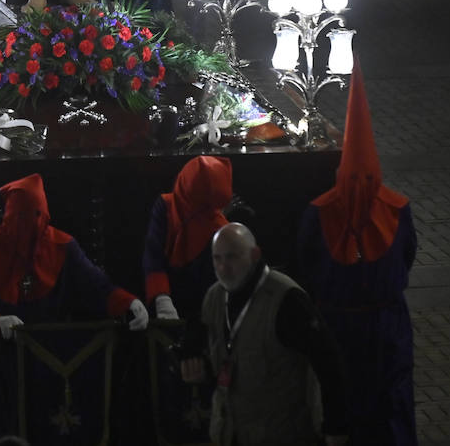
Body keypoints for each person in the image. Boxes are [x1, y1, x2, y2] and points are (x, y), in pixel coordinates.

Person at [0, 173, 148, 441]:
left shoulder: (63, 247)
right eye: (18, 218)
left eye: (34, 216)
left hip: (50, 366)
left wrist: (130, 304)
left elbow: (98, 288)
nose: (26, 227)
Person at [297, 66, 418, 446]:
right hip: (382, 328)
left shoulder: (319, 211)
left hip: (344, 328)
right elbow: (408, 255)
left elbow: (304, 262)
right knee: (385, 407)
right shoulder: (397, 208)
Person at [178, 222, 349, 446]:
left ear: (254, 254)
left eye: (232, 257)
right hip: (230, 434)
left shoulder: (286, 300)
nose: (223, 268)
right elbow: (210, 343)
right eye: (217, 259)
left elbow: (329, 363)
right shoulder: (215, 297)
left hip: (281, 435)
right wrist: (193, 358)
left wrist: (335, 427)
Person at [143, 155, 231, 320]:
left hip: (204, 309)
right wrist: (161, 297)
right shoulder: (165, 207)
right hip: (166, 304)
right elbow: (153, 256)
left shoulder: (219, 228)